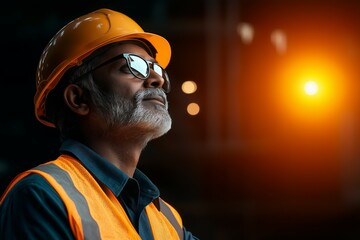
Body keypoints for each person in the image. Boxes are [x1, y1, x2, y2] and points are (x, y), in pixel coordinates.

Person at [0, 8, 199, 240]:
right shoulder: (41, 196)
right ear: (78, 99)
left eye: (156, 69)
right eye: (132, 66)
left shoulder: (167, 220)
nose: (157, 79)